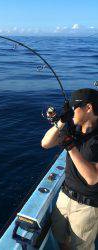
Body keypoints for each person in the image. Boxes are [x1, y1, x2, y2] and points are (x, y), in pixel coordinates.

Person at [41, 88, 98, 250]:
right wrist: (62, 122)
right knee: (60, 237)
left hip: (87, 206)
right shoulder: (74, 127)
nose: (72, 111)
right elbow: (45, 144)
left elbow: (93, 178)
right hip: (65, 196)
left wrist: (71, 146)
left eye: (75, 107)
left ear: (88, 108)